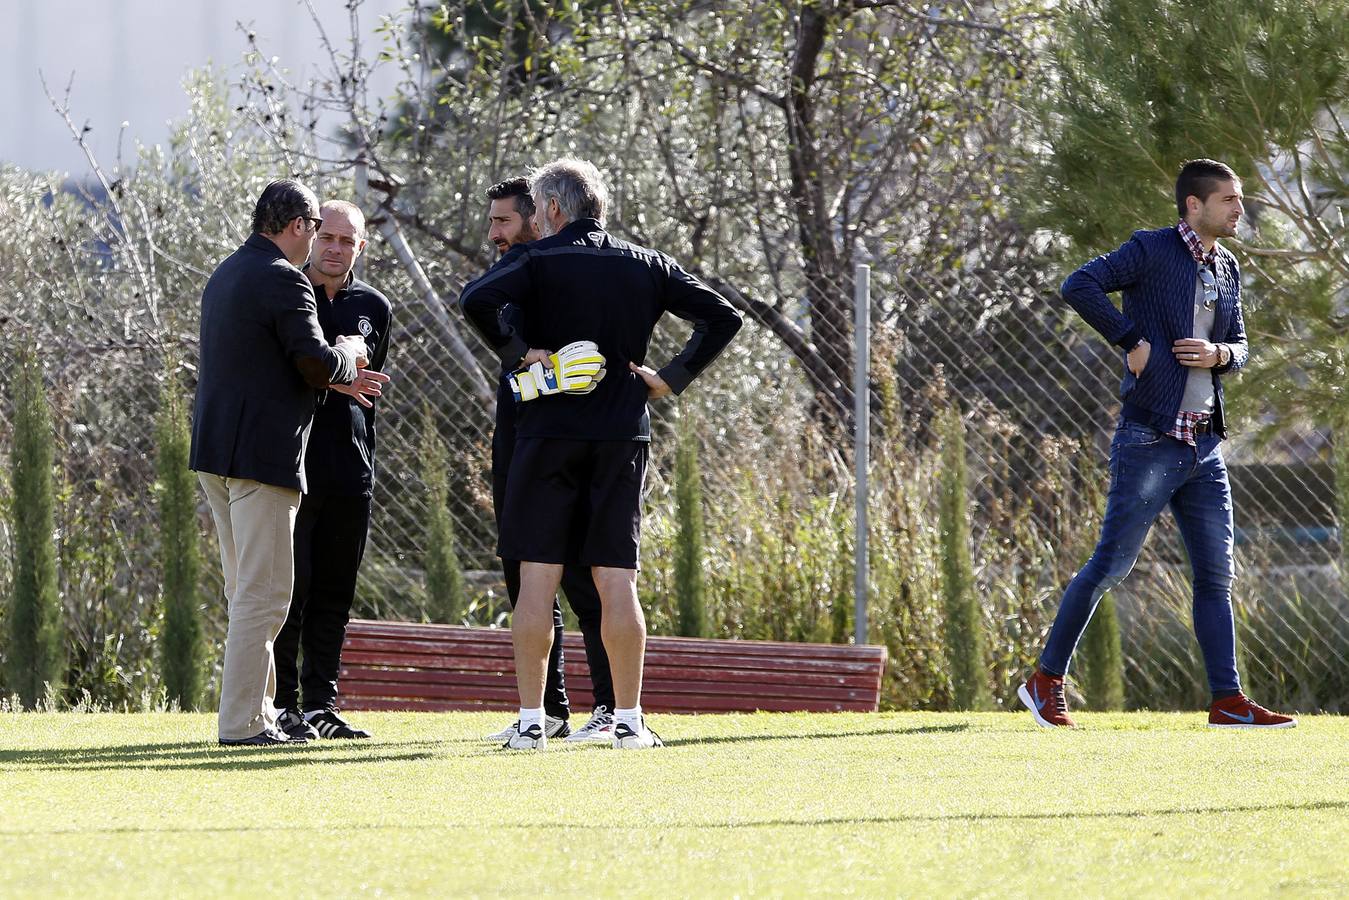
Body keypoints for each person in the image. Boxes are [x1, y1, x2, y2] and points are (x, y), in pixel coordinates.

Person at [461, 158, 742, 750]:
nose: (534, 217)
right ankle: (630, 721)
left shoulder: (534, 260)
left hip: (547, 436)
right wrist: (669, 377)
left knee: (537, 579)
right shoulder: (646, 263)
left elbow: (476, 300)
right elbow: (723, 316)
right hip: (621, 434)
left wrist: (522, 352)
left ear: (554, 210)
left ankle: (534, 722)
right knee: (618, 579)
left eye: (536, 208)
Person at [1018, 159, 1296, 729]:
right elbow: (1080, 284)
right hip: (1150, 438)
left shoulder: (1227, 266)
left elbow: (1239, 345)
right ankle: (1044, 681)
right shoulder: (1150, 249)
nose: (1239, 209)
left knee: (1216, 577)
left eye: (1238, 200)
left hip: (1204, 447)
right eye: (1228, 200)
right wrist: (1131, 340)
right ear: (1194, 205)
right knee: (1112, 565)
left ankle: (1227, 701)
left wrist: (1219, 355)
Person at [191, 179, 369, 746]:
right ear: (298, 227)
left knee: (246, 589)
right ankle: (243, 724)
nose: (318, 242)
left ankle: (261, 714)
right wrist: (351, 353)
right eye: (316, 229)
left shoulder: (226, 273)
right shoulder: (285, 278)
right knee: (264, 597)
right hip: (262, 458)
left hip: (216, 453)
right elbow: (316, 365)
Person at [478, 177, 618, 746]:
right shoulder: (513, 273)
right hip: (517, 436)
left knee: (585, 574)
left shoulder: (564, 271)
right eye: (491, 223)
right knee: (524, 571)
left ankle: (610, 706)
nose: (494, 235)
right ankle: (550, 708)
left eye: (504, 222)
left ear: (539, 218)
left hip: (573, 442)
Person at [273, 200, 393, 741]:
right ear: (311, 235)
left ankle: (322, 705)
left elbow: (368, 385)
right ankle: (284, 706)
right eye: (328, 237)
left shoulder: (374, 306)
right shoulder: (287, 293)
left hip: (351, 468)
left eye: (348, 241)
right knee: (289, 592)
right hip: (293, 467)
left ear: (360, 248)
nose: (336, 248)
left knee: (334, 593)